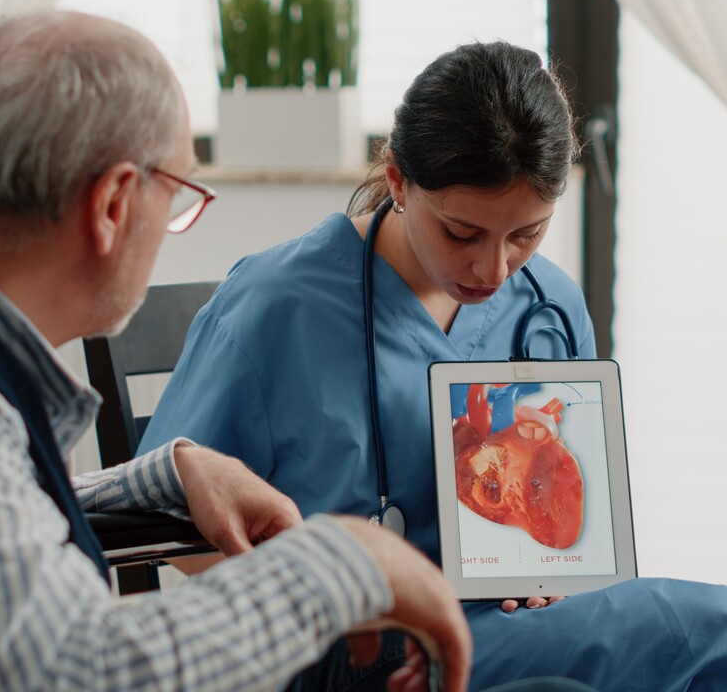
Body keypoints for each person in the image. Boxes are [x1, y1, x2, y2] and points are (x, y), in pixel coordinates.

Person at [0, 11, 599, 692]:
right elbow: (72, 670)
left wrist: (160, 475)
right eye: (180, 197)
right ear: (115, 202)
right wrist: (345, 564)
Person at [139, 39, 727, 691]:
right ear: (397, 179)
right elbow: (178, 533)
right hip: (352, 653)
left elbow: (565, 527)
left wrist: (550, 578)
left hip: (505, 641)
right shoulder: (273, 307)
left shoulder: (551, 305)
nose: (493, 270)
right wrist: (360, 597)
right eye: (462, 232)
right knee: (706, 635)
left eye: (526, 235)